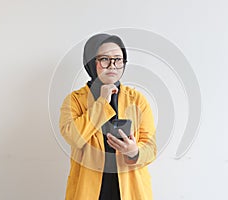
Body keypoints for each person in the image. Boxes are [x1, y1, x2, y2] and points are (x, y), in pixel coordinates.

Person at [59, 33, 157, 200]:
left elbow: (151, 148)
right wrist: (102, 102)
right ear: (91, 62)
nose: (112, 65)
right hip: (89, 190)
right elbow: (74, 137)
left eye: (118, 59)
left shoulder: (137, 100)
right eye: (104, 59)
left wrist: (134, 151)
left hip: (130, 190)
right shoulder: (75, 100)